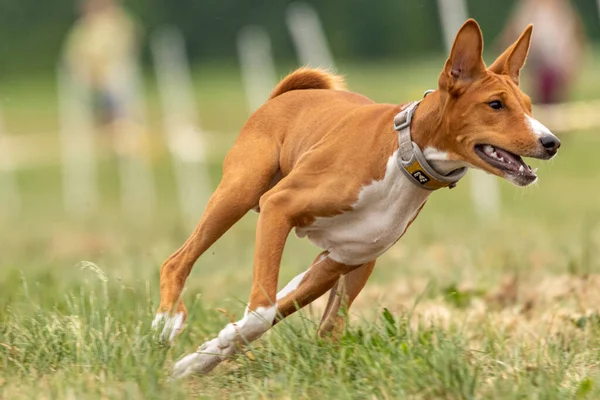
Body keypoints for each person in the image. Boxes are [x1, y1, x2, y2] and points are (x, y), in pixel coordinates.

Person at [498, 0, 586, 104]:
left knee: (557, 97)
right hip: (536, 64)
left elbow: (573, 37)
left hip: (557, 63)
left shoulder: (561, 10)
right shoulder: (528, 9)